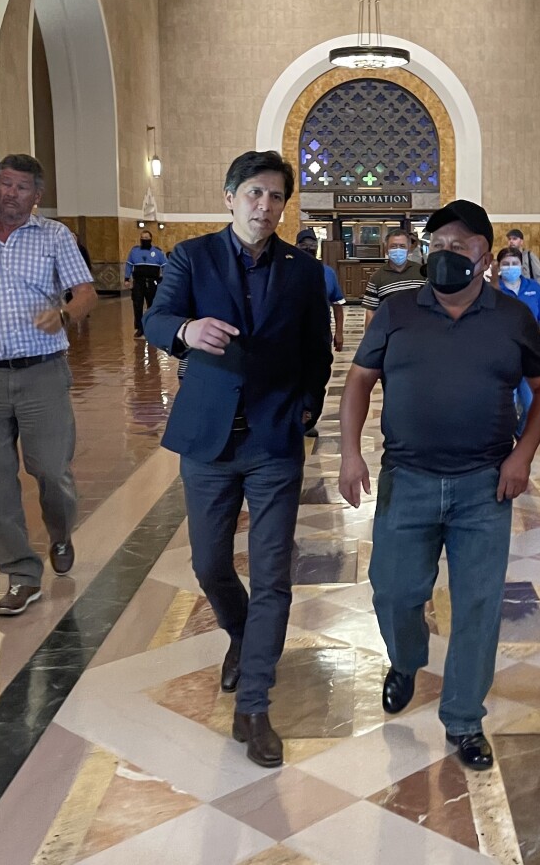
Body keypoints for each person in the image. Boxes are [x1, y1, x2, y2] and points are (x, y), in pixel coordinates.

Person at [339, 200, 540, 771]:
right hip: (406, 479)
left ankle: (463, 717)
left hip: (484, 485)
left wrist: (523, 455)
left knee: (479, 604)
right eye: (434, 246)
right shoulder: (396, 311)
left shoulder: (511, 317)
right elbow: (360, 379)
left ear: (486, 258)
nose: (443, 255)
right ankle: (406, 659)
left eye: (457, 248)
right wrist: (349, 454)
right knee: (392, 590)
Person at [143, 150, 332, 768]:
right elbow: (157, 316)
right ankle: (243, 636)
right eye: (254, 193)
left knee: (273, 574)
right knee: (209, 564)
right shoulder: (192, 257)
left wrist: (308, 404)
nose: (265, 206)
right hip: (209, 441)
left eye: (276, 197)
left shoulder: (303, 271)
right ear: (230, 198)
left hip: (274, 442)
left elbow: (317, 350)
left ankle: (254, 703)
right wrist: (186, 331)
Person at [0, 154, 97, 616]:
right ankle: (21, 573)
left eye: (19, 187)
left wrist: (62, 315)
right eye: (3, 184)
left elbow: (86, 294)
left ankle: (59, 533)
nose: (8, 193)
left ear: (36, 196)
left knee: (51, 471)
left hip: (42, 372)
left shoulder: (54, 236)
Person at [296, 229, 345, 438]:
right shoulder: (286, 270)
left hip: (319, 336)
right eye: (304, 244)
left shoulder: (327, 273)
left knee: (317, 380)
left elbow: (337, 304)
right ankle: (292, 418)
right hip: (291, 337)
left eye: (312, 244)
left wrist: (339, 333)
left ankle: (310, 419)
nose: (309, 247)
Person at [496, 246, 540, 435]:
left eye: (514, 263)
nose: (510, 267)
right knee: (506, 404)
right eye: (506, 264)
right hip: (503, 354)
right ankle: (505, 440)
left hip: (528, 355)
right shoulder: (494, 290)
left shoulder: (533, 288)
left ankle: (520, 432)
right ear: (499, 267)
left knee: (531, 403)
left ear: (521, 265)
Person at [361, 228, 424, 327]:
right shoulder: (377, 277)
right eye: (393, 246)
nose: (398, 250)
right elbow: (371, 311)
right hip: (390, 333)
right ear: (386, 249)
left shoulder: (422, 273)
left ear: (409, 249)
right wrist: (369, 339)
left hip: (420, 331)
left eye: (402, 246)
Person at [125, 230, 168, 337]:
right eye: (142, 238)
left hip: (152, 282)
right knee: (137, 305)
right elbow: (129, 265)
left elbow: (165, 266)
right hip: (138, 283)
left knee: (152, 306)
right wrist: (127, 278)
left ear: (151, 239)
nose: (144, 240)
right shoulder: (134, 252)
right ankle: (140, 327)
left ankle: (152, 327)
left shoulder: (158, 252)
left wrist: (164, 279)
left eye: (146, 238)